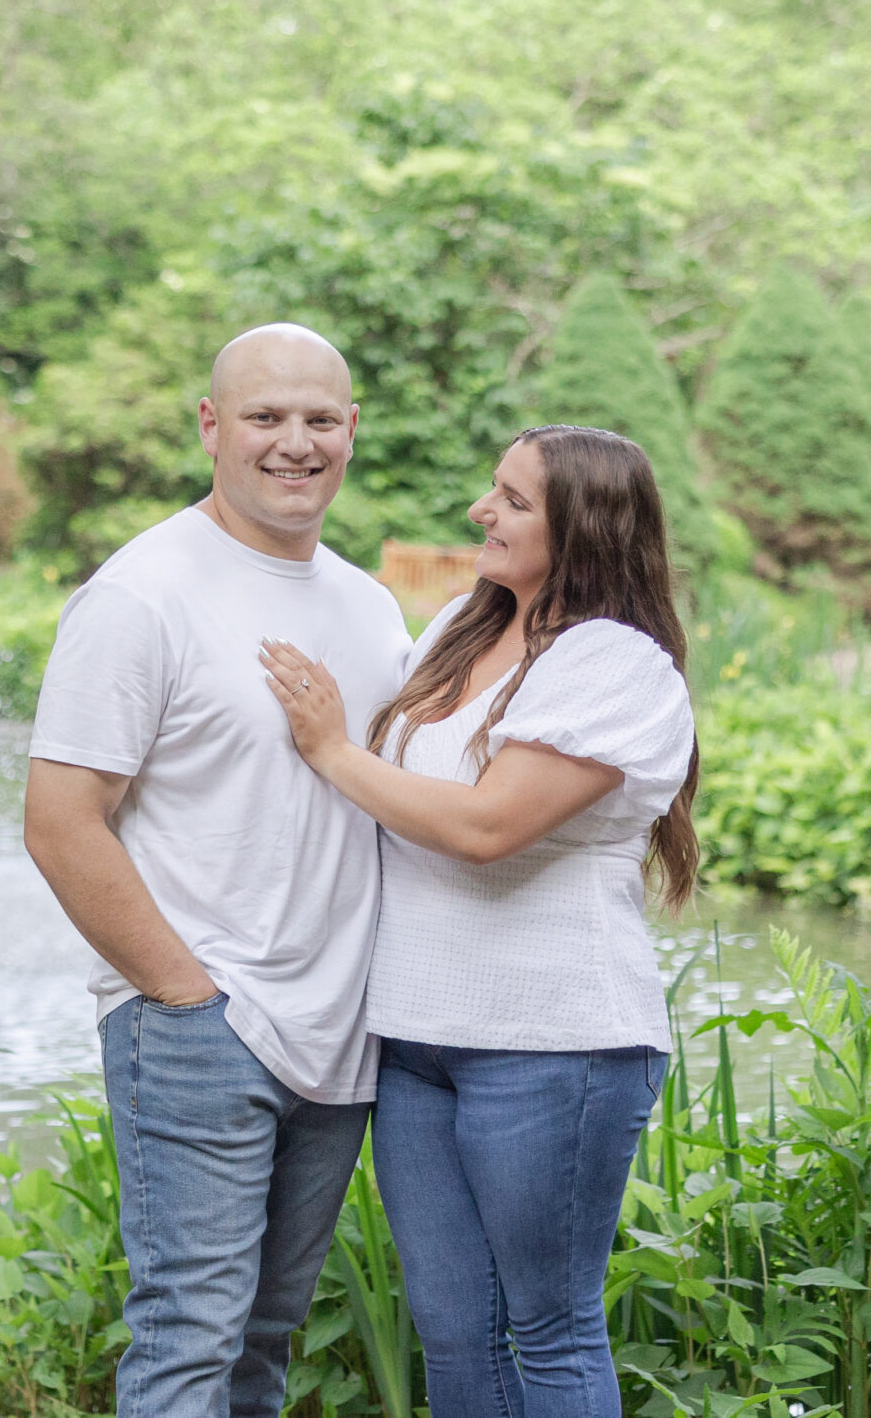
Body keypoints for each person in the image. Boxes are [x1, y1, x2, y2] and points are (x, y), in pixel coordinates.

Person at [258, 423, 699, 1418]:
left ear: (582, 528)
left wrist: (333, 751)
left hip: (553, 1045)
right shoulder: (463, 622)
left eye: (511, 499)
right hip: (417, 1037)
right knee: (454, 1336)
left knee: (547, 1329)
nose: (479, 511)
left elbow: (487, 825)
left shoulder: (615, 665)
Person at [20, 323, 410, 1418]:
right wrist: (187, 995)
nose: (296, 443)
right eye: (265, 417)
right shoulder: (143, 593)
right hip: (203, 1026)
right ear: (210, 426)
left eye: (319, 420)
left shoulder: (368, 606)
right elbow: (60, 821)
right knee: (191, 1338)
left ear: (350, 431)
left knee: (262, 1343)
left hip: (339, 1034)